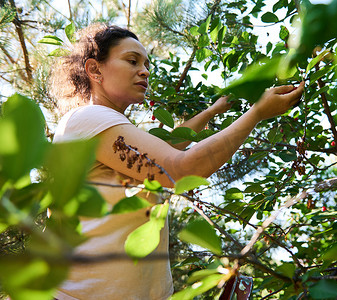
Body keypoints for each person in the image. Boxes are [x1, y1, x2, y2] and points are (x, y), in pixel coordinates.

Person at [50, 23, 305, 300]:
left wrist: (212, 111)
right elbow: (181, 168)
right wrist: (257, 113)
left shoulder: (102, 127)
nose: (145, 71)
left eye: (147, 64)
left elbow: (166, 148)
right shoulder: (89, 118)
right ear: (95, 69)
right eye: (132, 61)